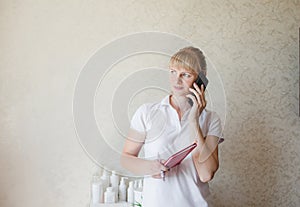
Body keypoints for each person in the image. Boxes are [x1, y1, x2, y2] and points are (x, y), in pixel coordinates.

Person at [121, 46, 224, 207]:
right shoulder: (147, 112)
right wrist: (149, 167)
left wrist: (194, 121)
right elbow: (126, 158)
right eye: (173, 72)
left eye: (186, 75)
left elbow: (206, 174)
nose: (176, 80)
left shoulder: (211, 120)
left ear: (201, 79)